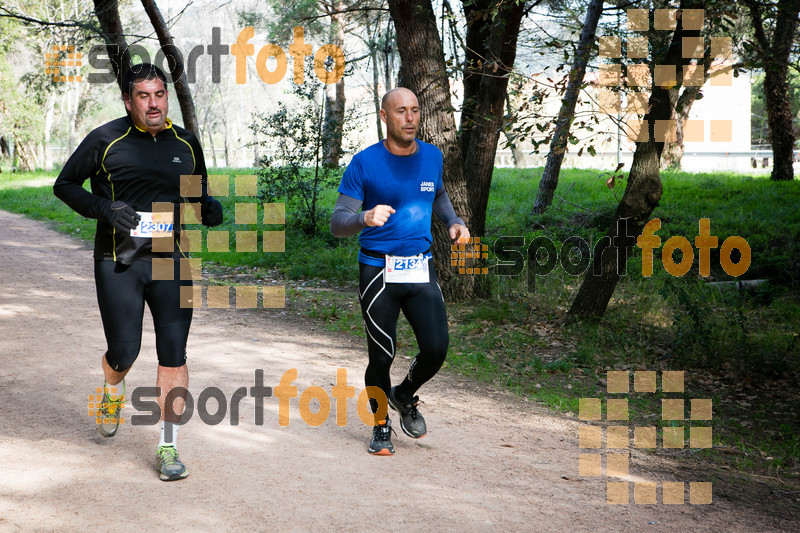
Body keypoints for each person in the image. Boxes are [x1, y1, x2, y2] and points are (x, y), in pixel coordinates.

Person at [53, 63, 223, 481]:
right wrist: (105, 208)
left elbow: (196, 192)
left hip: (170, 261)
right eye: (143, 96)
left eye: (159, 94)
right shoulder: (105, 140)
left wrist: (208, 208)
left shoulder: (186, 142)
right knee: (124, 351)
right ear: (128, 101)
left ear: (167, 97)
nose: (153, 103)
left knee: (174, 354)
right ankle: (113, 387)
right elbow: (65, 185)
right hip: (118, 262)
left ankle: (168, 446)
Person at [330, 87, 470, 455]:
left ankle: (404, 394)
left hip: (420, 269)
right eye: (400, 111)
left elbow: (436, 193)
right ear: (384, 116)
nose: (409, 118)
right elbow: (337, 222)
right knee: (382, 355)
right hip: (379, 273)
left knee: (437, 348)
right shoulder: (364, 163)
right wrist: (364, 217)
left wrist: (453, 220)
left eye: (414, 111)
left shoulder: (432, 157)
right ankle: (380, 426)